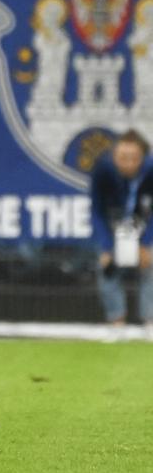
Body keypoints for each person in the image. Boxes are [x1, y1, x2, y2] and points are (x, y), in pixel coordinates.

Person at [90, 130, 153, 339]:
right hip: (115, 227)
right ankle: (116, 322)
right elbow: (97, 210)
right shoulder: (103, 170)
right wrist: (107, 247)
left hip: (144, 225)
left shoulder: (151, 171)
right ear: (114, 156)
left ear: (143, 157)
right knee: (106, 268)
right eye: (122, 158)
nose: (127, 163)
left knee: (151, 265)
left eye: (133, 158)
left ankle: (150, 322)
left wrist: (145, 243)